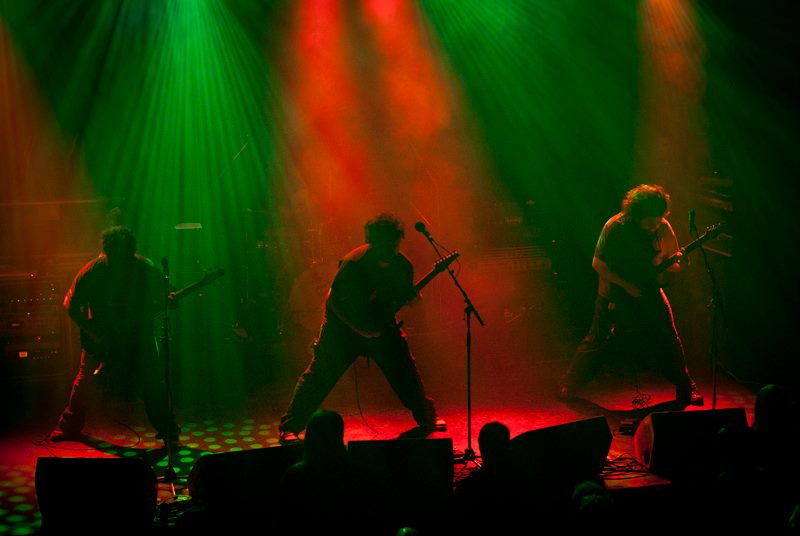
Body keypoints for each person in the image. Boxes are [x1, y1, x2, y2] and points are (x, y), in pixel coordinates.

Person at [279, 213, 445, 445]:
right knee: (319, 377)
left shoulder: (403, 266)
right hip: (342, 330)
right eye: (386, 243)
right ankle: (290, 427)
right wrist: (360, 329)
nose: (392, 247)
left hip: (380, 327)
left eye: (395, 242)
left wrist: (411, 300)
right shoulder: (354, 263)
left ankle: (426, 418)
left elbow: (397, 299)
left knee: (405, 371)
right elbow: (334, 302)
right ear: (373, 241)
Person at [558, 184, 704, 406]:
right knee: (597, 341)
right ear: (635, 215)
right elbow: (598, 263)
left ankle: (686, 386)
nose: (655, 225)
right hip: (613, 293)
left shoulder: (662, 226)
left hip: (649, 289)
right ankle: (569, 383)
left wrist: (681, 263)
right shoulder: (614, 227)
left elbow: (672, 262)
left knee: (669, 338)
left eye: (658, 219)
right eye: (649, 221)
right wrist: (626, 285)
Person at [49, 226, 180, 447]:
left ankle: (169, 432)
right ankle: (68, 427)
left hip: (138, 336)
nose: (121, 264)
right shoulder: (92, 272)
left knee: (153, 383)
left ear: (131, 253)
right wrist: (94, 332)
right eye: (116, 258)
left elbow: (165, 292)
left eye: (125, 259)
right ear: (105, 253)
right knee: (86, 382)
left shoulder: (143, 268)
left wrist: (170, 298)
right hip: (103, 339)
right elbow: (70, 305)